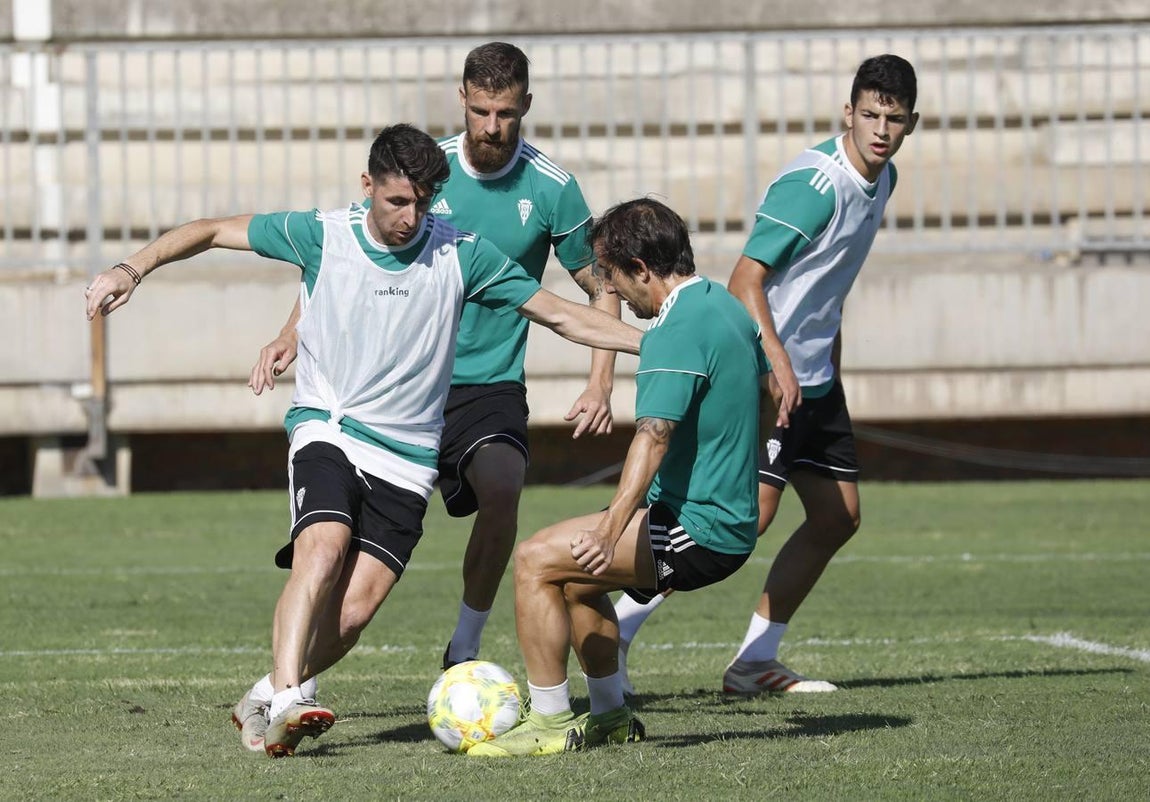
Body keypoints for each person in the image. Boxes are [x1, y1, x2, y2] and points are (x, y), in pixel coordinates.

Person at [82, 123, 642, 758]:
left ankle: (265, 696)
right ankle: (292, 696)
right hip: (331, 426)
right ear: (367, 186)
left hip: (407, 457)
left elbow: (562, 313)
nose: (410, 217)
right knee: (322, 547)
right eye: (397, 201)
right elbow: (210, 229)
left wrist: (656, 343)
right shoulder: (324, 234)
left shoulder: (462, 253)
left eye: (423, 203)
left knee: (350, 616)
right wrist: (132, 268)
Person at [248, 42, 619, 678]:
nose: (493, 127)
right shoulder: (424, 174)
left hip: (487, 383)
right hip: (396, 390)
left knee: (503, 488)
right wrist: (292, 330)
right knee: (334, 563)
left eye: (506, 113)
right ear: (463, 101)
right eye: (481, 111)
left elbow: (598, 287)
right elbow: (341, 260)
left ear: (526, 105)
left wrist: (602, 382)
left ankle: (465, 645)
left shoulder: (553, 188)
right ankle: (279, 690)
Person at [613, 54, 919, 696]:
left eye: (893, 118)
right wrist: (775, 361)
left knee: (838, 518)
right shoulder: (815, 185)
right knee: (741, 518)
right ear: (848, 113)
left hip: (815, 380)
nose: (880, 130)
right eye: (870, 115)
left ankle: (754, 662)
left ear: (911, 123)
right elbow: (746, 278)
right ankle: (613, 635)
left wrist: (825, 361)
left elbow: (825, 289)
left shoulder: (883, 181)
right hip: (769, 377)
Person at [466, 198, 772, 757]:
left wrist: (611, 529)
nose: (613, 294)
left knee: (535, 559)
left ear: (641, 269)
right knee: (580, 583)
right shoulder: (725, 307)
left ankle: (551, 723)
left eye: (612, 277)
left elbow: (652, 437)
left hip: (698, 527)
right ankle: (609, 714)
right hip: (705, 515)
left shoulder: (676, 329)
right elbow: (769, 390)